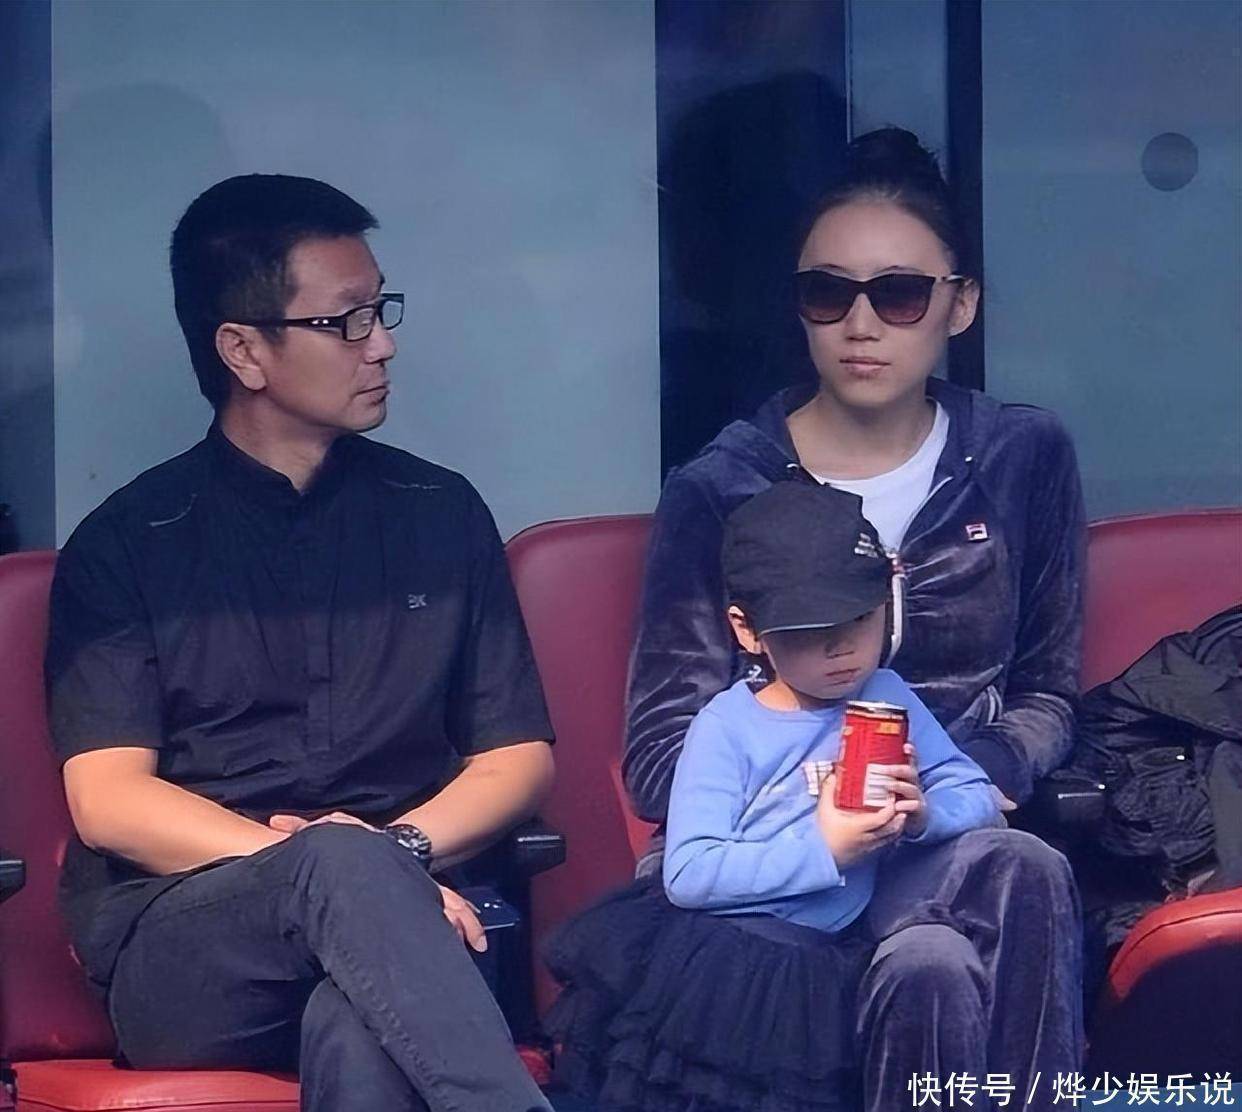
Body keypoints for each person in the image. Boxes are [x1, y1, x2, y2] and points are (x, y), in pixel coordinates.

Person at [45, 174, 555, 1112]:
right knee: (342, 869)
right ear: (243, 350)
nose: (382, 344)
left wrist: (394, 860)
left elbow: (516, 755)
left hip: (427, 919)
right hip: (195, 949)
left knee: (363, 1032)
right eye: (346, 322)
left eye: (380, 311)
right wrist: (341, 871)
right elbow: (109, 801)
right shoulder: (129, 543)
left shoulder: (440, 514)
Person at [624, 128, 1086, 864]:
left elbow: (1048, 691)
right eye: (828, 293)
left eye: (900, 294)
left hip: (955, 834)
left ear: (960, 304)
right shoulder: (721, 485)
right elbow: (658, 756)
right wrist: (820, 808)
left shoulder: (1020, 453)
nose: (860, 326)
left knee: (1011, 880)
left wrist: (967, 779)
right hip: (766, 848)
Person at [546, 482, 1083, 1112]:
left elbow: (972, 790)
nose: (841, 648)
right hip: (755, 957)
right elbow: (689, 873)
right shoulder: (728, 727)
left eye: (860, 620)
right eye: (809, 631)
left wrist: (924, 813)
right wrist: (825, 848)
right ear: (749, 631)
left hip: (868, 920)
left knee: (1020, 864)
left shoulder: (885, 693)